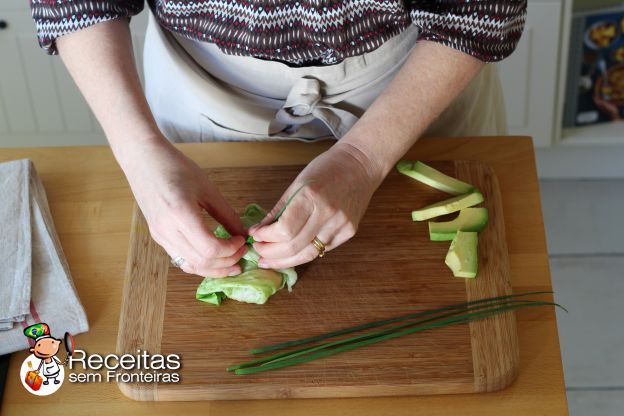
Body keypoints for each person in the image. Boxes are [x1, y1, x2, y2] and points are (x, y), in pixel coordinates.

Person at [29, 0, 526, 276]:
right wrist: (139, 153)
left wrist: (363, 157)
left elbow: (481, 8)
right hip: (202, 84)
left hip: (414, 77)